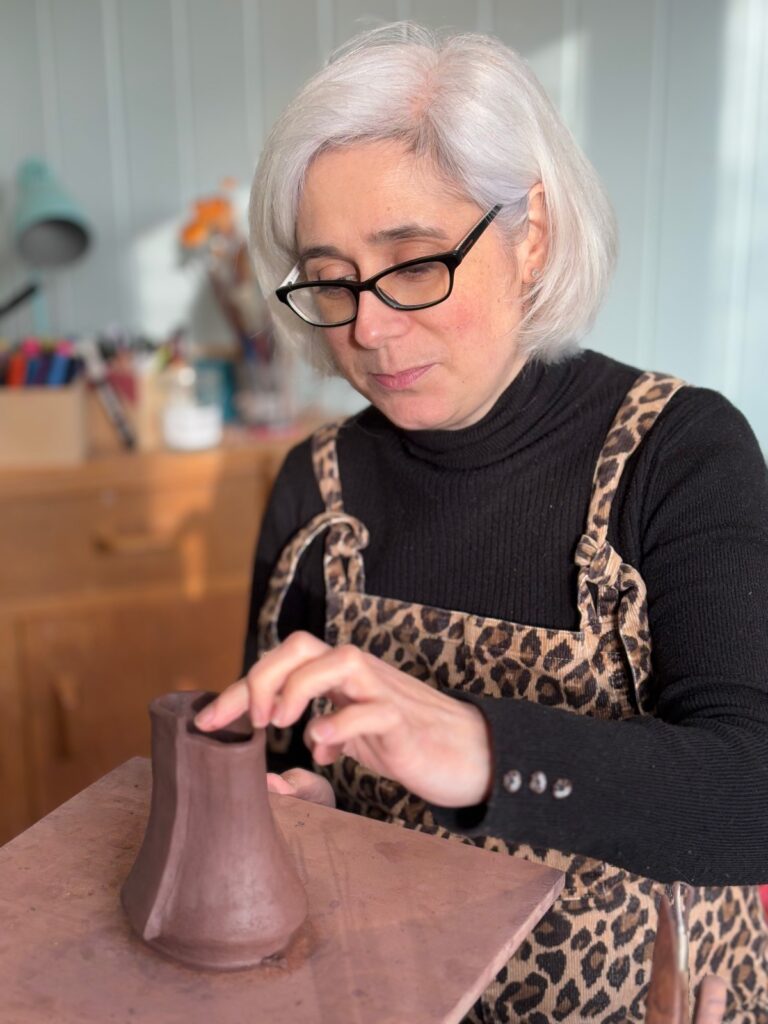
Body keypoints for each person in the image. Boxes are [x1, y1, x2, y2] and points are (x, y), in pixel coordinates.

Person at [194, 22, 768, 1023]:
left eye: (414, 264)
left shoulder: (679, 455)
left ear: (530, 233)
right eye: (332, 278)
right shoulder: (314, 490)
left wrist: (488, 749)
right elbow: (286, 761)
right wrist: (299, 808)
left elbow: (752, 792)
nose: (368, 327)